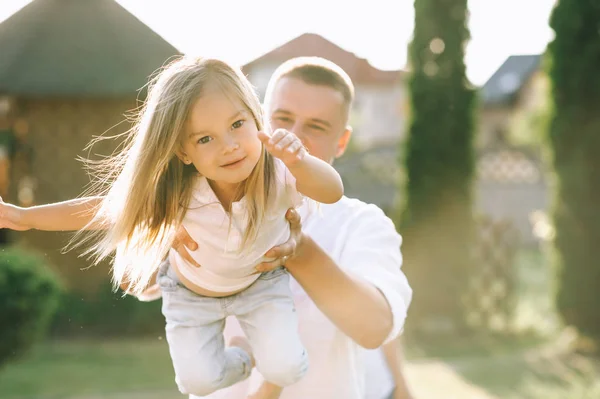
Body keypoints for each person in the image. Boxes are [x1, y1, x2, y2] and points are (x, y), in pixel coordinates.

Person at [0, 56, 346, 398]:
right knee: (197, 383)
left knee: (287, 368)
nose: (229, 146)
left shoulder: (279, 173)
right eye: (204, 139)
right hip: (192, 296)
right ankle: (243, 354)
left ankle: (274, 355)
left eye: (237, 124)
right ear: (183, 153)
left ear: (257, 118)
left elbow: (332, 191)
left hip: (260, 289)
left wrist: (301, 161)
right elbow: (100, 211)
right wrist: (23, 217)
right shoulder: (180, 192)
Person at [171, 57, 414, 399]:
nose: (292, 137)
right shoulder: (202, 199)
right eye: (282, 119)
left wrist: (298, 251)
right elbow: (151, 284)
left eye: (316, 127)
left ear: (341, 143)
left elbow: (375, 329)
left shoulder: (361, 225)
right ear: (256, 119)